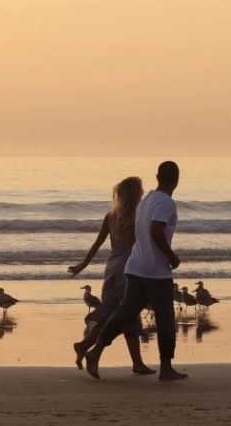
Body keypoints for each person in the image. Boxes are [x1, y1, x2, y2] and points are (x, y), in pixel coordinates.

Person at [83, 160, 187, 381]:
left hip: (135, 267)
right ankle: (166, 368)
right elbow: (156, 231)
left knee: (124, 315)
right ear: (176, 179)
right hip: (155, 271)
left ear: (157, 177)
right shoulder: (165, 202)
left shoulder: (147, 200)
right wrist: (171, 256)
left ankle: (95, 351)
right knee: (166, 318)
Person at [68, 177, 154, 374]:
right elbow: (136, 248)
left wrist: (84, 264)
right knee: (118, 315)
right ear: (135, 194)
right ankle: (86, 345)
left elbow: (97, 243)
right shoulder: (137, 218)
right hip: (128, 270)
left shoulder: (111, 215)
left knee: (127, 315)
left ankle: (137, 363)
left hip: (113, 269)